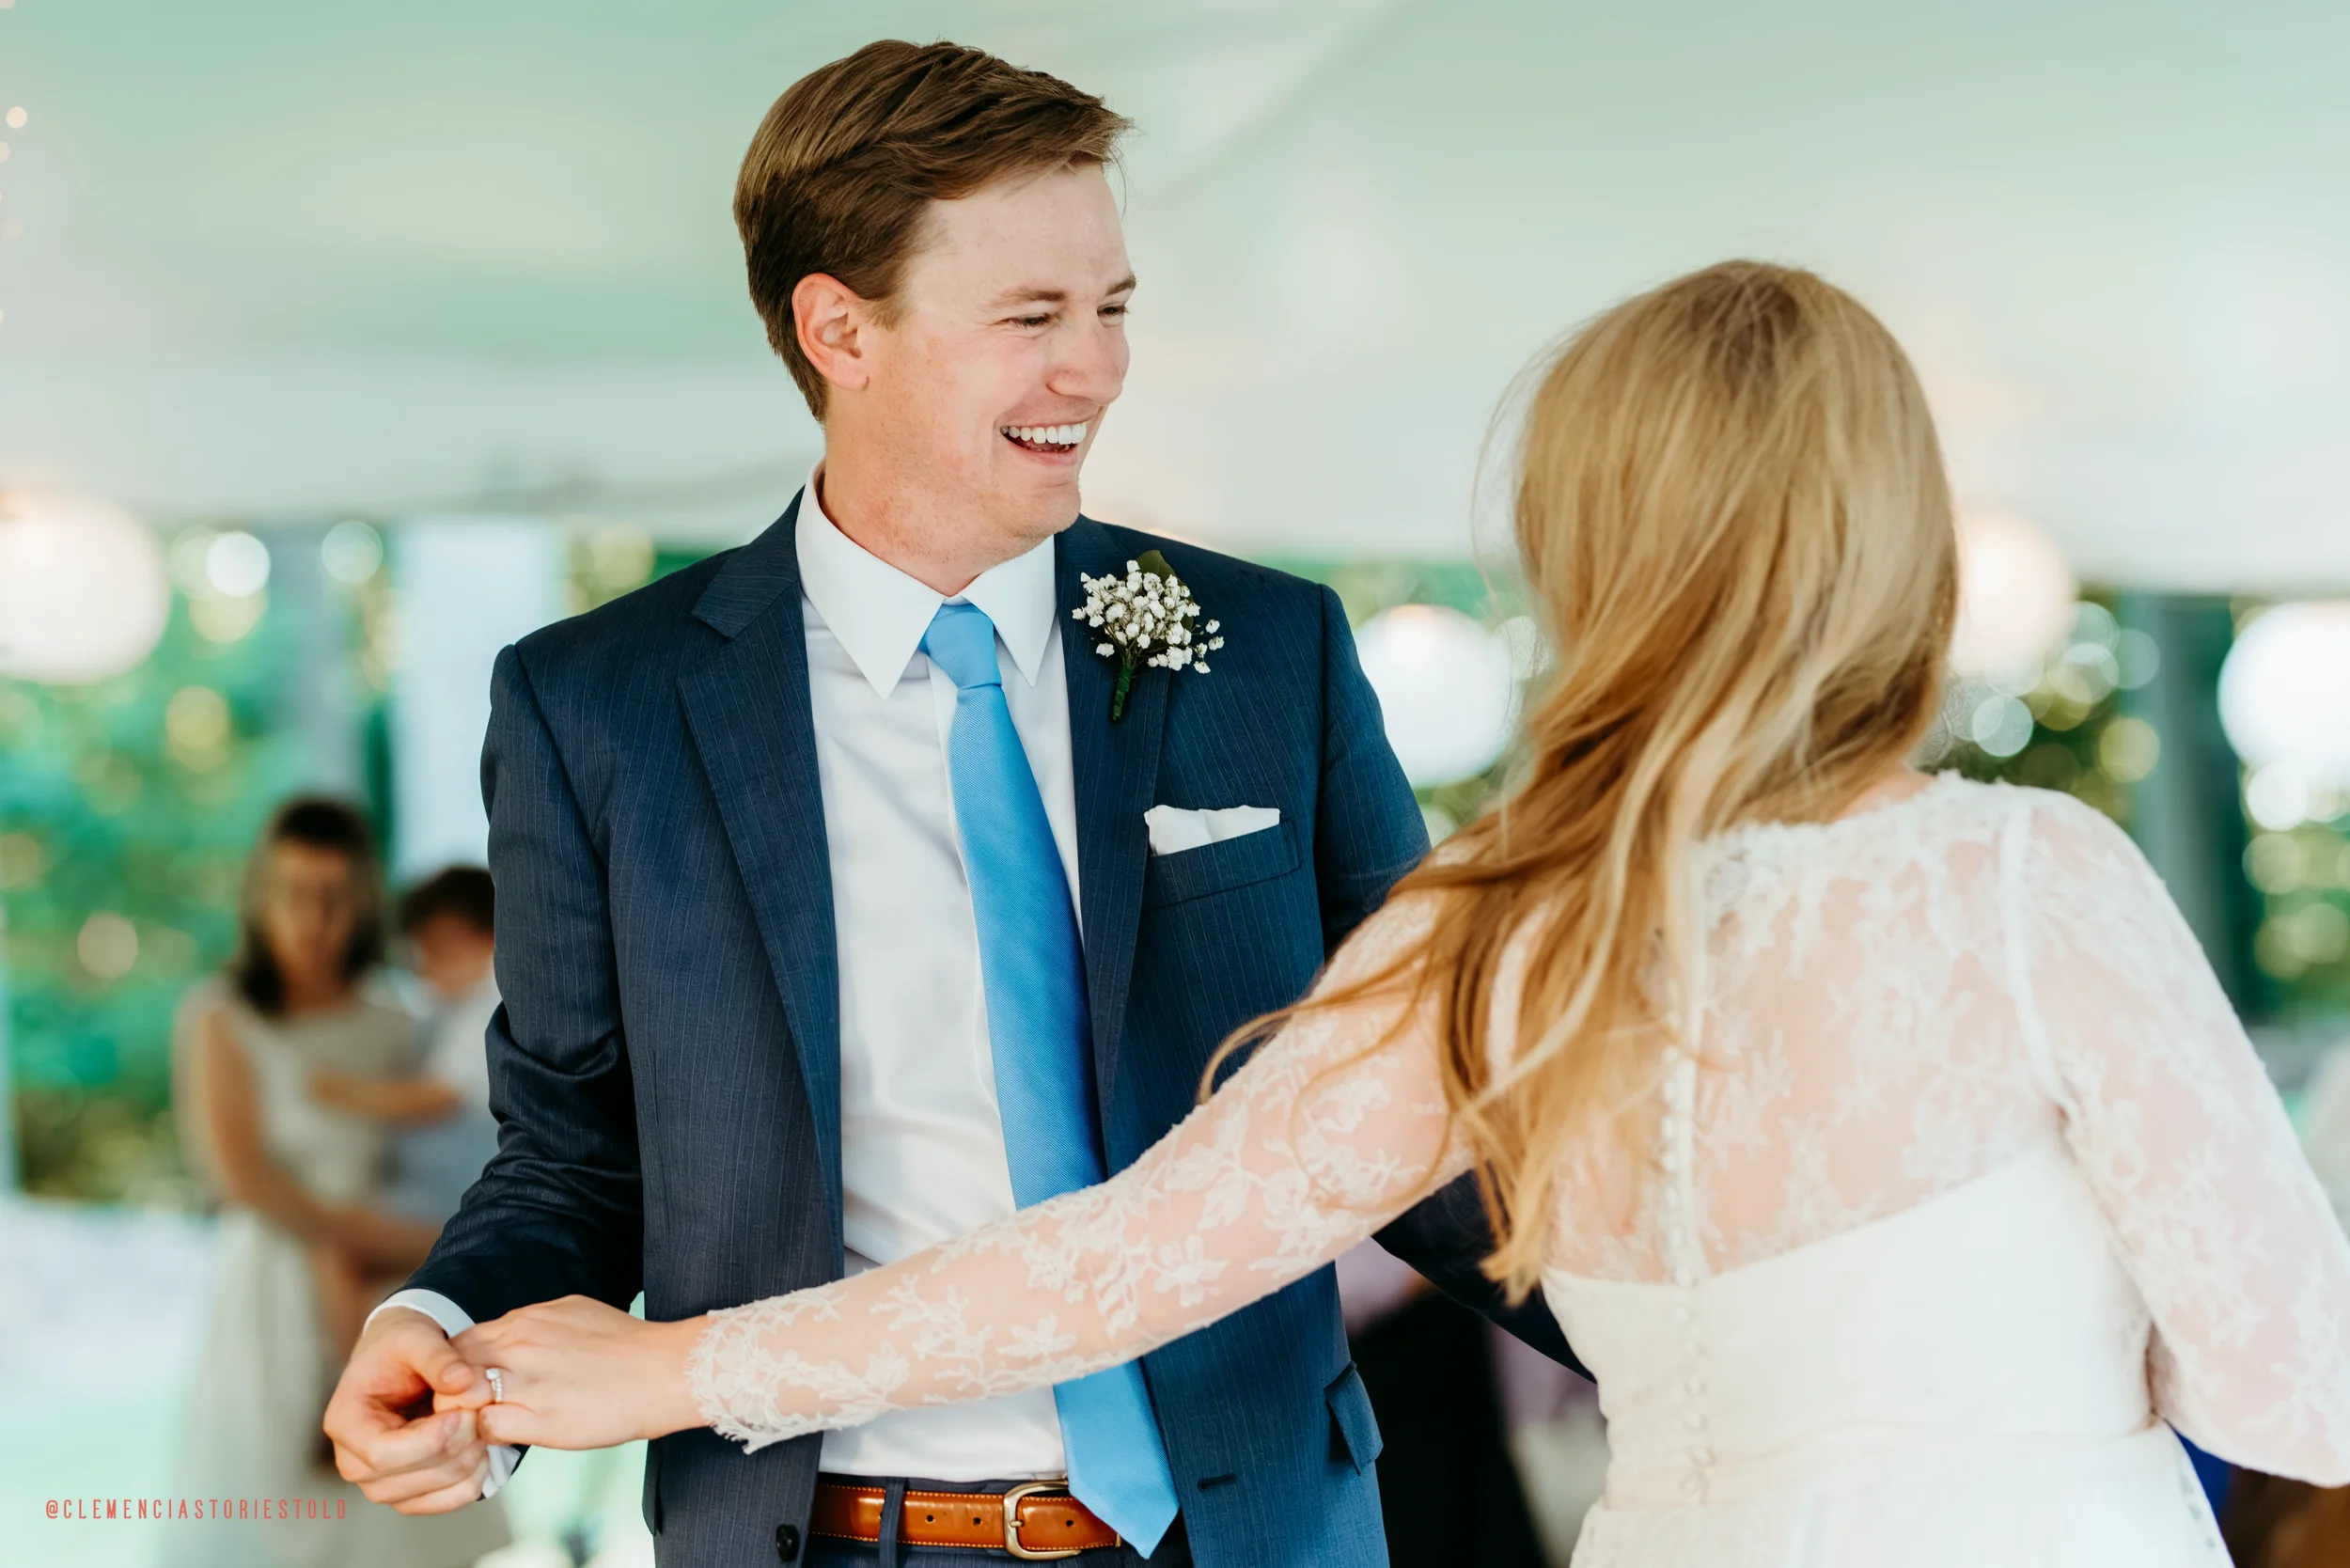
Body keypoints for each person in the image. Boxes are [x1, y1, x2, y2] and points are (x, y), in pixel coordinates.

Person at [434, 262, 2350, 1567]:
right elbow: (2299, 1384)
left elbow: (1117, 1258)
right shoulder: (2020, 883)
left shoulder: (1478, 937)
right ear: (1894, 533)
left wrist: (678, 1367)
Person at [324, 39, 1565, 1567]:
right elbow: (576, 1150)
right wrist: (438, 1324)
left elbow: (1431, 1095)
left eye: (1113, 309)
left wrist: (1711, 1326)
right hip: (829, 1534)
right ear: (840, 329)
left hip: (1256, 1527)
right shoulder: (600, 706)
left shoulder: (1268, 649)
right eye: (1032, 317)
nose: (1097, 368)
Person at [170, 798, 509, 1568]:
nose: (313, 919)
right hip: (276, 1290)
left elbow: (440, 1151)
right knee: (280, 1507)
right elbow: (239, 1176)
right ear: (261, 896)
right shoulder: (221, 1016)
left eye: (333, 896)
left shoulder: (396, 1019)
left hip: (388, 1281)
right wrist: (359, 1237)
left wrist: (423, 1247)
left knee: (401, 1514)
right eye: (294, 893)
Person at [309, 867, 502, 1224]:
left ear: (487, 937)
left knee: (339, 1238)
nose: (423, 966)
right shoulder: (448, 1009)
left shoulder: (492, 1001)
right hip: (444, 1188)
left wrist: (338, 1094)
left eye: (435, 946)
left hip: (464, 1195)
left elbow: (441, 1095)